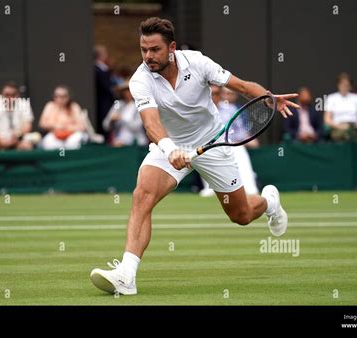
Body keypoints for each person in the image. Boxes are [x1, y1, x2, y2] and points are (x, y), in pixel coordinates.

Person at [90, 17, 299, 295]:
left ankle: (270, 203)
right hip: (170, 144)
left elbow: (244, 87)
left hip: (212, 143)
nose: (148, 56)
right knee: (142, 195)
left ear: (172, 48)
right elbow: (151, 124)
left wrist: (270, 97)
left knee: (242, 215)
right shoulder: (140, 80)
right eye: (143, 49)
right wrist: (170, 149)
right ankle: (126, 275)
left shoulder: (198, 62)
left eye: (155, 50)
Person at [199, 85, 259, 197]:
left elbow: (240, 131)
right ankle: (211, 188)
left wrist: (246, 140)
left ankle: (250, 188)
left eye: (216, 94)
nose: (213, 97)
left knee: (240, 151)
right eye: (211, 94)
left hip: (231, 144)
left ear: (220, 95)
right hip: (208, 147)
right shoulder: (198, 111)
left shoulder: (231, 109)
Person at [0, 81, 35, 150]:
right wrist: (0, 141)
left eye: (13, 95)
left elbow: (27, 126)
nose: (10, 98)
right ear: (1, 95)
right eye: (7, 95)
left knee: (27, 145)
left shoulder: (24, 104)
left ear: (18, 95)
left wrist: (18, 136)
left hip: (17, 140)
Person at [39, 85, 87, 150]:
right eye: (57, 96)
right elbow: (42, 124)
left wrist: (66, 127)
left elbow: (82, 126)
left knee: (72, 143)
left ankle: (70, 159)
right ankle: (59, 158)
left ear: (68, 97)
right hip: (55, 135)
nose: (59, 99)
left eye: (62, 96)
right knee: (49, 143)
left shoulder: (74, 106)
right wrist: (56, 126)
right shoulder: (50, 106)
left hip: (71, 135)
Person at [102, 81, 147, 147]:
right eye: (125, 90)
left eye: (129, 90)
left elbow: (137, 126)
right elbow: (105, 125)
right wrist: (111, 121)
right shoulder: (118, 104)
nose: (127, 93)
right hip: (119, 141)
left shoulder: (139, 105)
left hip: (136, 142)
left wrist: (122, 118)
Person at [324, 73, 357, 141]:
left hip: (353, 127)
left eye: (347, 85)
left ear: (350, 86)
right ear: (338, 85)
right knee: (343, 135)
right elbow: (327, 119)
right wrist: (339, 126)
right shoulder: (331, 98)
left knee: (356, 135)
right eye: (342, 84)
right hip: (338, 127)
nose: (344, 86)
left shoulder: (356, 98)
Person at [94, 45, 115, 135]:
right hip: (103, 103)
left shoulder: (104, 69)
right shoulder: (98, 70)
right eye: (105, 54)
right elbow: (108, 87)